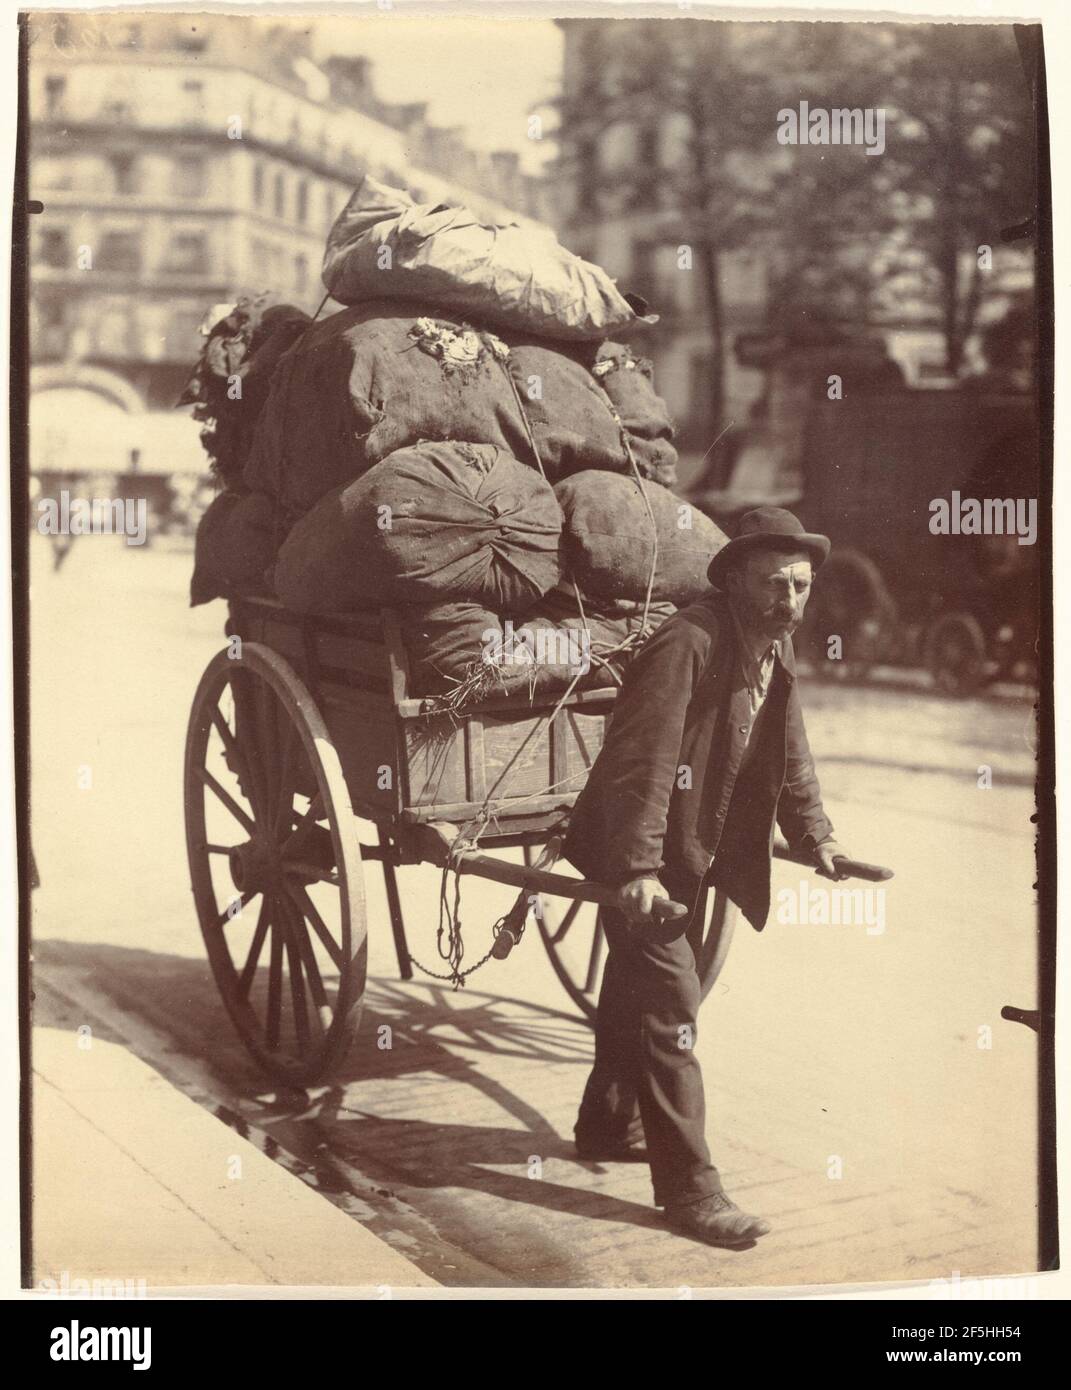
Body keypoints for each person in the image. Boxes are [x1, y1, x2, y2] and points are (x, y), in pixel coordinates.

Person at [563, 506, 849, 1248]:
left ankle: (605, 1122)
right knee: (672, 1004)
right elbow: (641, 759)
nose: (787, 603)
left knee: (637, 984)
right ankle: (690, 1190)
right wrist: (633, 869)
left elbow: (788, 750)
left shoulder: (768, 649)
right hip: (644, 851)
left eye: (799, 587)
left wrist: (815, 835)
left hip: (689, 850)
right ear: (732, 581)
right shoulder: (688, 642)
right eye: (771, 586)